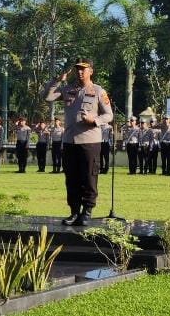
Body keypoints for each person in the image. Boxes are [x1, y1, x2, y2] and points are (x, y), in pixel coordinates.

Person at [43, 58, 113, 226]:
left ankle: (87, 211)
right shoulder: (68, 89)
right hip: (69, 141)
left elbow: (109, 115)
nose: (80, 72)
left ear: (91, 71)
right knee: (71, 178)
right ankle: (74, 211)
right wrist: (57, 80)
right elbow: (47, 97)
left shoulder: (98, 91)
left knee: (89, 177)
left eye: (83, 69)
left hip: (90, 142)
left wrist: (93, 119)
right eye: (77, 69)